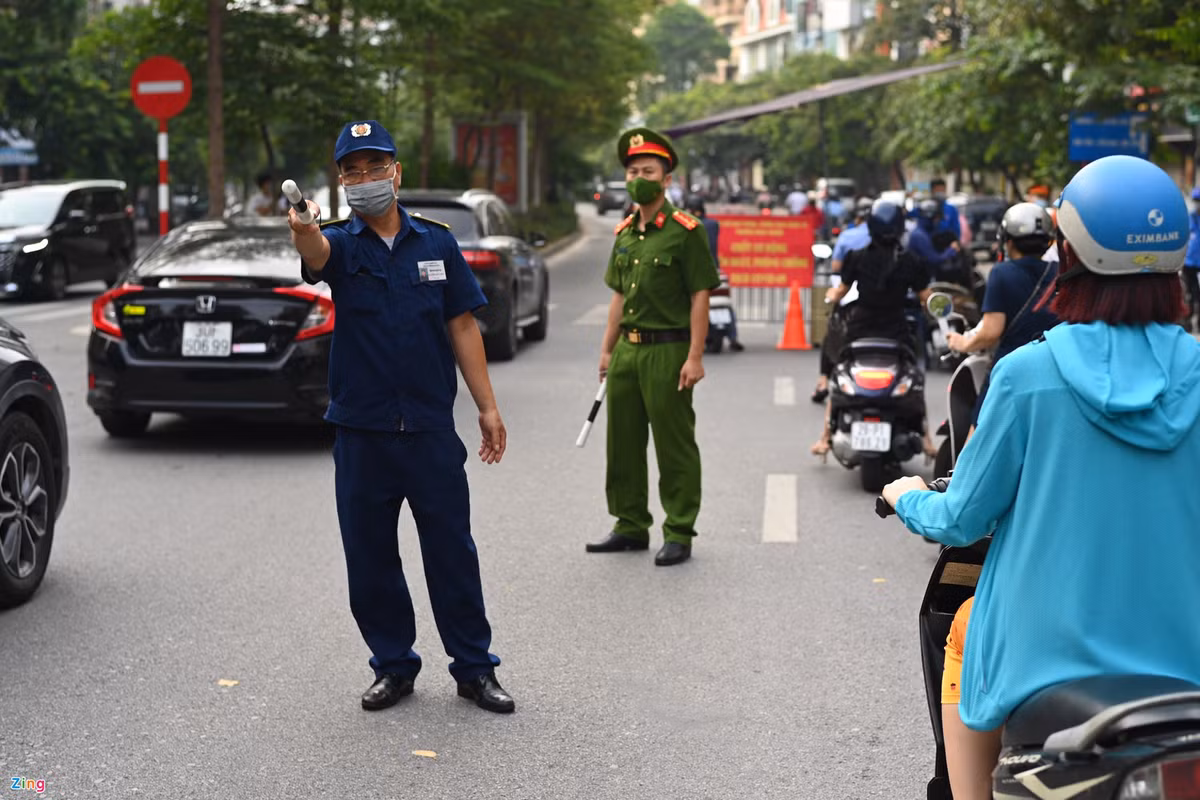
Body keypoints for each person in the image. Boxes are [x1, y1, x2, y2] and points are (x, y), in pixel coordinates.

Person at [882, 155, 1200, 800]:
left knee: (966, 631)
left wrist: (908, 493)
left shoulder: (1028, 373)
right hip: (1184, 657)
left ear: (1067, 251)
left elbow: (963, 517)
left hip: (1047, 656)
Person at [287, 120, 515, 714]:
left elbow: (462, 324)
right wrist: (304, 226)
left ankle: (474, 668)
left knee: (452, 553)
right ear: (340, 181)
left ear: (396, 171)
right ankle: (393, 665)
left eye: (374, 167)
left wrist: (487, 407)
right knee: (371, 559)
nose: (364, 180)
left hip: (430, 429)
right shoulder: (338, 243)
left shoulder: (437, 243)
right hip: (362, 431)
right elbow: (314, 254)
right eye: (352, 171)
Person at [587, 127, 721, 567]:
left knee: (673, 444)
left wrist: (695, 356)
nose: (639, 177)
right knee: (622, 442)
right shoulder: (625, 232)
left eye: (648, 170)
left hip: (669, 350)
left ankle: (679, 529)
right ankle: (629, 524)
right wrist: (607, 350)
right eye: (633, 170)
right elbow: (618, 296)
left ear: (667, 180)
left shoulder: (687, 231)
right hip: (628, 349)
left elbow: (701, 293)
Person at [811, 199, 934, 456]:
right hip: (897, 329)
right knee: (914, 376)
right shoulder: (911, 261)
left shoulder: (856, 257)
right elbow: (928, 298)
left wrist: (831, 297)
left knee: (838, 373)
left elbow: (841, 291)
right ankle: (927, 439)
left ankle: (824, 437)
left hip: (860, 328)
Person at [945, 202, 1060, 433]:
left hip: (1011, 369)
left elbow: (990, 332)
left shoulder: (1001, 273)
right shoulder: (1059, 272)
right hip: (1057, 368)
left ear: (1007, 241)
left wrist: (961, 342)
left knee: (978, 436)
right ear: (1048, 241)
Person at [811, 196, 873, 403]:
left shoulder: (850, 242)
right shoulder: (900, 251)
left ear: (857, 218)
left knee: (833, 334)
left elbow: (837, 269)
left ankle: (823, 380)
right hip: (890, 319)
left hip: (853, 302)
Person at [684, 193, 744, 353]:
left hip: (694, 273)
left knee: (693, 305)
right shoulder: (713, 224)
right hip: (715, 271)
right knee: (724, 303)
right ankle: (733, 336)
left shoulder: (689, 226)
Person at [908, 199, 964, 283]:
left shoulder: (927, 233)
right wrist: (951, 249)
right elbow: (934, 259)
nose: (937, 222)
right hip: (919, 282)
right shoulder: (919, 236)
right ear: (929, 217)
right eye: (936, 219)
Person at [1184, 187, 1200, 331]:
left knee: (1198, 294)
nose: (1197, 203)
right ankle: (1187, 323)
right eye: (1196, 200)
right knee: (1188, 293)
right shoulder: (1188, 218)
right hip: (1188, 263)